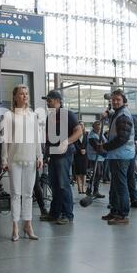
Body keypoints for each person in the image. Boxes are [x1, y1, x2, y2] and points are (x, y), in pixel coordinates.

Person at [1, 85, 42, 241]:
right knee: (16, 194)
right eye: (21, 94)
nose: (25, 96)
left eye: (26, 94)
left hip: (31, 158)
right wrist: (4, 159)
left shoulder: (33, 116)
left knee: (28, 194)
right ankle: (15, 227)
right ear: (15, 97)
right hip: (14, 159)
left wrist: (40, 156)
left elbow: (37, 138)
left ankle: (28, 225)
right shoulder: (9, 116)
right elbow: (6, 140)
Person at [40, 90, 82, 225]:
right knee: (54, 185)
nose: (48, 103)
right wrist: (45, 154)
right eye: (47, 100)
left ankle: (67, 214)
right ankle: (54, 213)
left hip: (64, 154)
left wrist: (67, 141)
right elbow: (47, 138)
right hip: (53, 154)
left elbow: (78, 131)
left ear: (58, 101)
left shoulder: (67, 114)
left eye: (50, 100)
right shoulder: (50, 117)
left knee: (63, 184)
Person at [97, 89, 134, 225]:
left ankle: (123, 214)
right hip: (117, 155)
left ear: (124, 101)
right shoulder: (118, 113)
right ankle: (114, 211)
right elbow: (111, 113)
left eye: (118, 99)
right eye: (113, 100)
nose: (115, 102)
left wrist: (105, 147)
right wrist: (106, 113)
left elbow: (122, 138)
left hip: (121, 155)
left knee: (120, 186)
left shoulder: (123, 115)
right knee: (115, 185)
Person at [86, 121, 106, 198]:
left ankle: (95, 190)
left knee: (99, 174)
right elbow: (97, 147)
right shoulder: (92, 136)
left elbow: (104, 144)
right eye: (97, 127)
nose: (99, 128)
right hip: (94, 157)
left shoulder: (101, 134)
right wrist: (106, 153)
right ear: (94, 127)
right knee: (95, 174)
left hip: (100, 158)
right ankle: (89, 190)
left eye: (100, 127)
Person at [74, 121, 88, 194]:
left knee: (84, 172)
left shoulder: (86, 134)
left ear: (84, 126)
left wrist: (85, 150)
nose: (81, 126)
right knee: (78, 172)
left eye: (82, 125)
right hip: (77, 155)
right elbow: (75, 144)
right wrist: (80, 150)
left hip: (85, 155)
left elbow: (88, 144)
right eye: (80, 125)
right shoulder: (75, 134)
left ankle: (83, 187)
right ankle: (79, 188)